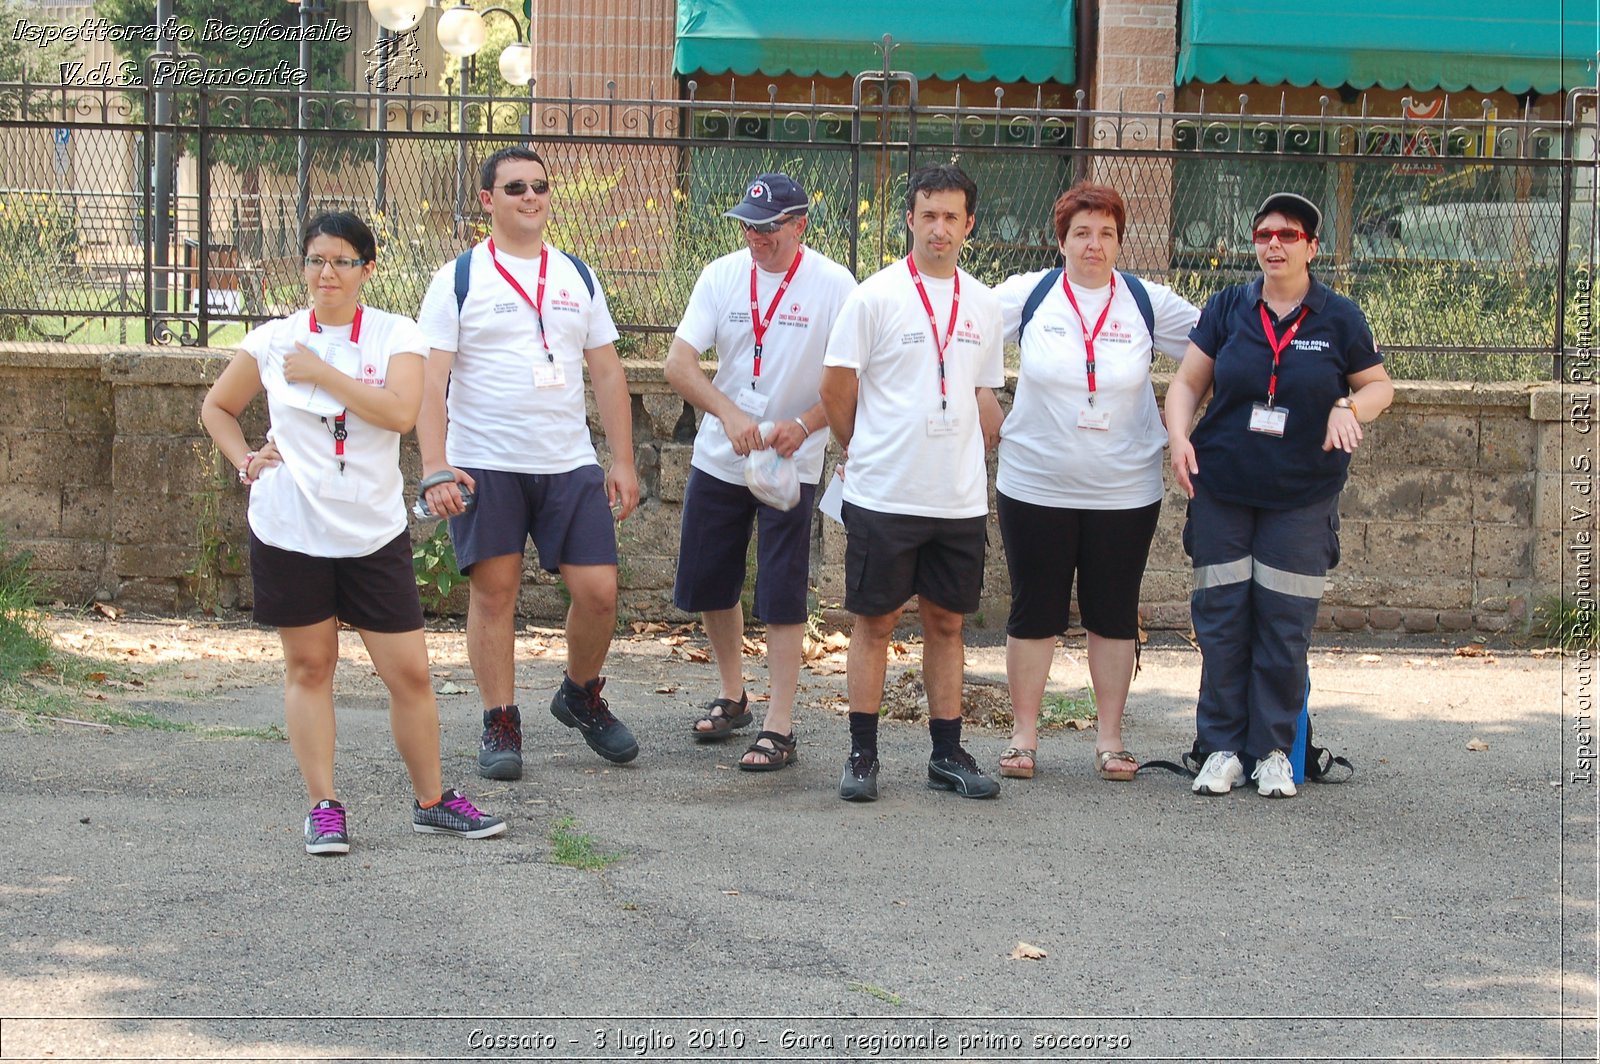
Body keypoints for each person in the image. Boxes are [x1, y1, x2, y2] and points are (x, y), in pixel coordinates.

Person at [200, 210, 506, 855]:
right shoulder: (274, 339)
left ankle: (432, 802)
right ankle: (324, 806)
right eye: (315, 260)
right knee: (310, 666)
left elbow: (397, 413)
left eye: (342, 260)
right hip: (290, 527)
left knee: (410, 675)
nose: (326, 273)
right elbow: (218, 408)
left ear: (367, 268)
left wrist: (323, 374)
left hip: (371, 531)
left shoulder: (397, 335)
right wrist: (245, 461)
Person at [415, 145, 641, 781]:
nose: (530, 197)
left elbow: (607, 372)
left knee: (599, 592)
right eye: (514, 188)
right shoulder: (457, 278)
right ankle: (500, 719)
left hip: (567, 461)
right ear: (487, 200)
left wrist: (620, 459)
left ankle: (579, 693)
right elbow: (431, 383)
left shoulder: (576, 275)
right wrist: (435, 464)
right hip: (484, 460)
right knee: (495, 592)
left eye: (539, 186)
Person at [1165, 191, 1394, 798]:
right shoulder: (1228, 307)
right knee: (1221, 621)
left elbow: (1379, 387)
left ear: (1311, 247)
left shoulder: (1338, 317)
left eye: (1288, 235)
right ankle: (1219, 749)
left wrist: (1348, 406)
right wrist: (1179, 437)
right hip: (1224, 489)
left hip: (1301, 495)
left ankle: (1272, 750)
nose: (1274, 244)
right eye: (1264, 233)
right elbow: (1188, 381)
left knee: (1283, 624)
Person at [991, 182, 1200, 782]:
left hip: (1125, 489)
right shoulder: (1029, 295)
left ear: (1120, 240)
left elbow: (1219, 342)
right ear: (1061, 240)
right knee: (1035, 610)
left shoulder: (1143, 300)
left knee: (1113, 611)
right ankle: (1023, 736)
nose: (1094, 244)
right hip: (1035, 484)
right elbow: (961, 331)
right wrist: (983, 396)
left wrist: (1186, 408)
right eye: (1082, 232)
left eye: (1106, 232)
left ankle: (1110, 740)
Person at [819, 163, 1006, 802]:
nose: (939, 228)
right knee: (874, 623)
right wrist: (865, 449)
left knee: (948, 624)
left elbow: (980, 390)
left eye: (952, 216)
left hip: (956, 499)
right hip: (884, 492)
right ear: (909, 219)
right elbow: (836, 390)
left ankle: (946, 755)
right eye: (928, 215)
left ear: (969, 225)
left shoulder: (984, 303)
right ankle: (863, 756)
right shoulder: (873, 297)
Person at [664, 172, 857, 770]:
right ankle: (732, 695)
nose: (755, 236)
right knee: (711, 580)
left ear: (800, 224)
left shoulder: (834, 286)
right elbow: (678, 364)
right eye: (748, 224)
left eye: (769, 226)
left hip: (789, 462)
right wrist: (727, 414)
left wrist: (802, 425)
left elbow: (852, 380)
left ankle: (780, 724)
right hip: (722, 456)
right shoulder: (721, 274)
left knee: (780, 590)